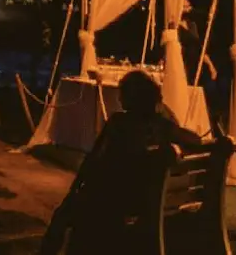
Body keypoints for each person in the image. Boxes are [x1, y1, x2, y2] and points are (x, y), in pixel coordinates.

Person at [44, 71, 205, 255]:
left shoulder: (117, 124)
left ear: (131, 98)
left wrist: (75, 191)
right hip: (143, 201)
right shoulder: (162, 126)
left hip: (114, 201)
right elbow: (196, 140)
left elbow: (93, 162)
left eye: (122, 95)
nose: (119, 100)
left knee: (67, 212)